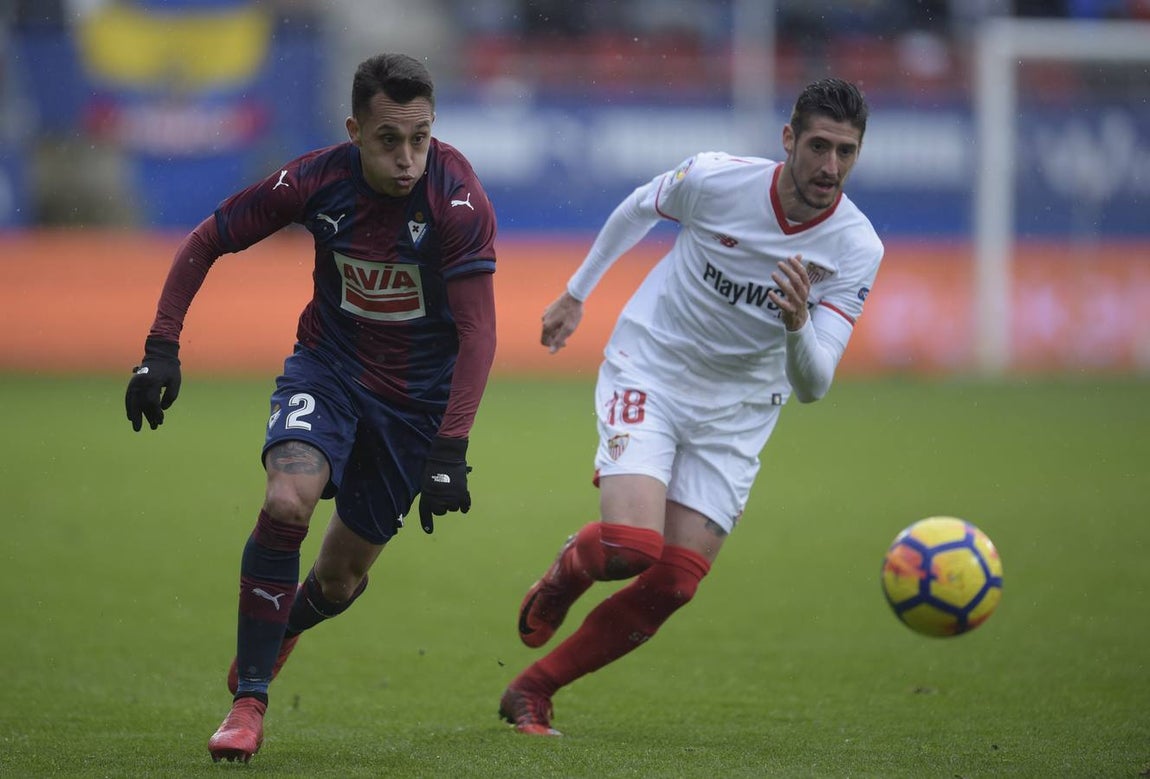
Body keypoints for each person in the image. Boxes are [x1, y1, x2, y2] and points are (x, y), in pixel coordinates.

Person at [124, 53, 498, 763]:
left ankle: (284, 622)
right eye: (390, 138)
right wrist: (161, 346)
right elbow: (208, 239)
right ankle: (250, 700)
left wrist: (450, 448)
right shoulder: (314, 180)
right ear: (354, 129)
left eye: (421, 137)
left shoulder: (458, 199)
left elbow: (480, 331)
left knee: (339, 576)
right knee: (288, 499)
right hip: (327, 370)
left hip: (414, 406)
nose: (408, 157)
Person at [498, 78, 882, 736]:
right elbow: (639, 208)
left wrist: (796, 325)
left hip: (738, 412)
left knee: (674, 581)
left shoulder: (855, 248)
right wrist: (576, 292)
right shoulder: (715, 179)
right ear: (788, 139)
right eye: (819, 146)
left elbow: (815, 384)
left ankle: (533, 689)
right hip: (653, 367)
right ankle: (568, 569)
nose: (830, 167)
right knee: (630, 546)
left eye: (846, 152)